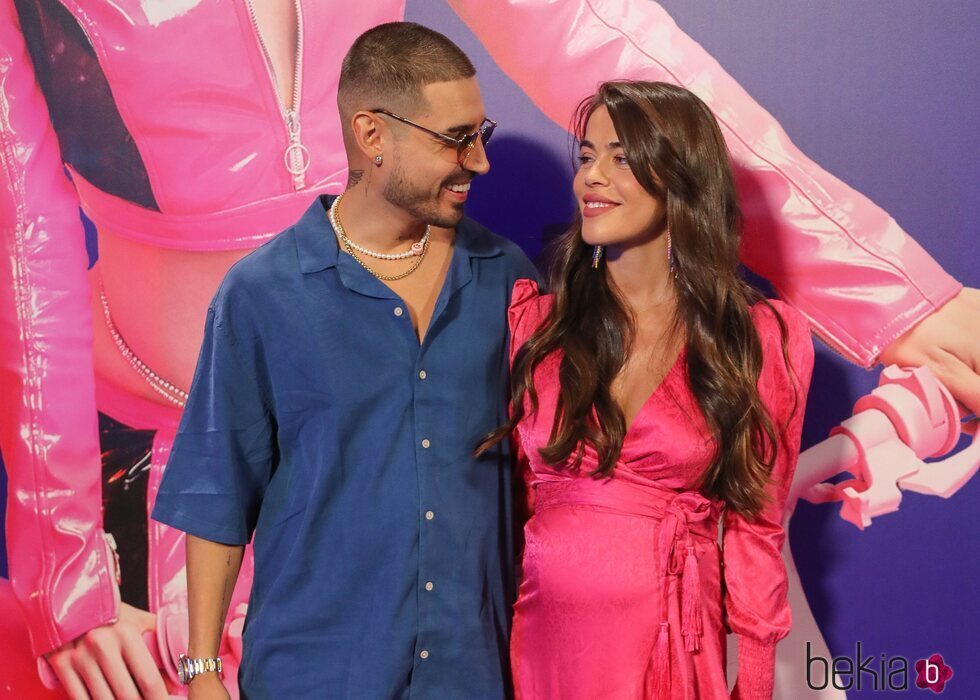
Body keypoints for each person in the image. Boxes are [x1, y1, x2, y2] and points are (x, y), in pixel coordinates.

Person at [1, 2, 975, 698]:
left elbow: (591, 36)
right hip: (160, 462)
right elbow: (23, 234)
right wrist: (64, 571)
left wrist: (890, 295)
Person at [150, 23, 538, 699]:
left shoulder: (507, 277)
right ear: (372, 134)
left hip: (470, 676)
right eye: (455, 139)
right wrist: (203, 671)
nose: (478, 162)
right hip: (314, 677)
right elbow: (218, 492)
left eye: (481, 134)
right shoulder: (262, 293)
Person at [481, 80, 813, 699]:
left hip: (674, 648)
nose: (591, 177)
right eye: (587, 156)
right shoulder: (537, 326)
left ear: (682, 178)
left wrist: (755, 681)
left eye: (622, 158)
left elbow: (756, 528)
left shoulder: (753, 339)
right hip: (543, 652)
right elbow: (511, 509)